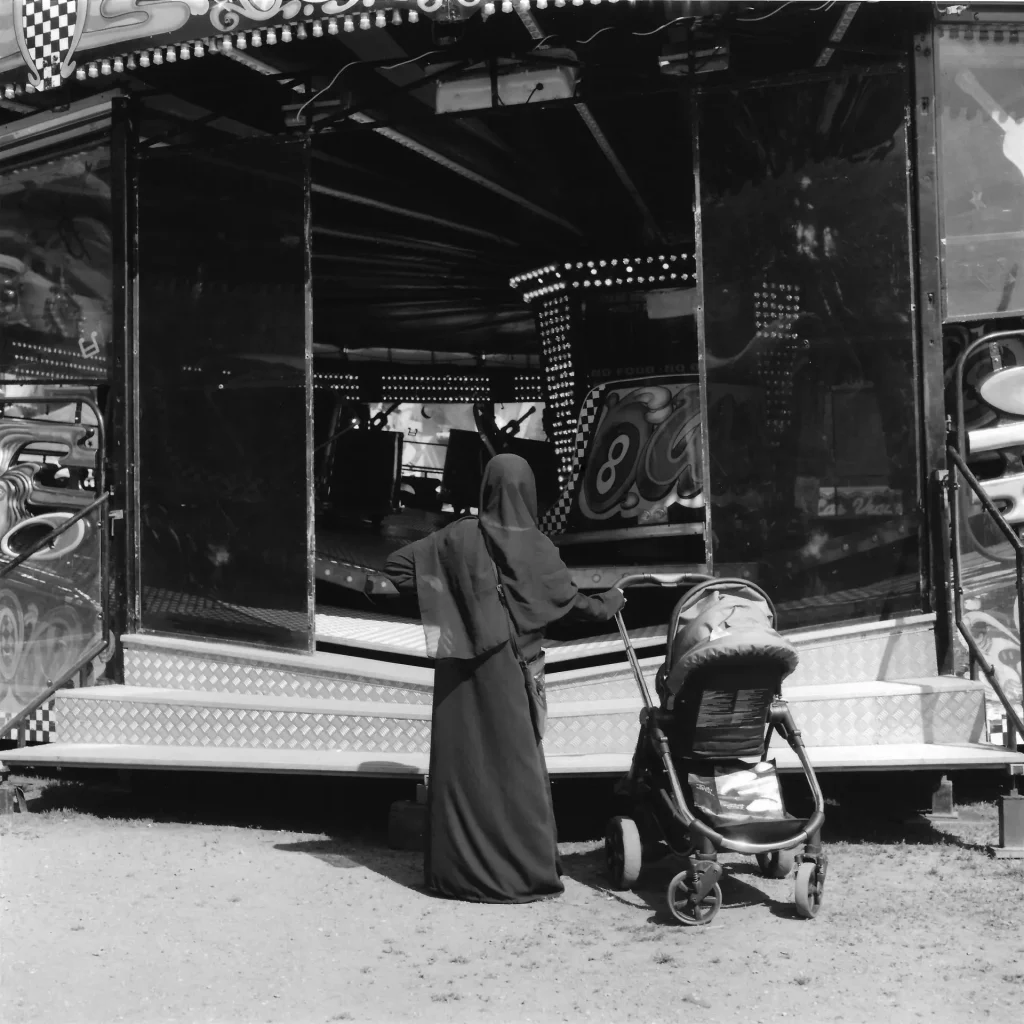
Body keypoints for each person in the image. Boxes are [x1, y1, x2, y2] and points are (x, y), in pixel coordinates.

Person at [381, 453, 624, 903]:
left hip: (459, 672)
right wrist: (611, 602)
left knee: (464, 772)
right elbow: (572, 605)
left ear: (486, 488)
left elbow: (397, 567)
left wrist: (460, 607)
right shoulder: (537, 548)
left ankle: (456, 875)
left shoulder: (456, 538)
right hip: (511, 675)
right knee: (518, 775)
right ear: (528, 491)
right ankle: (521, 874)